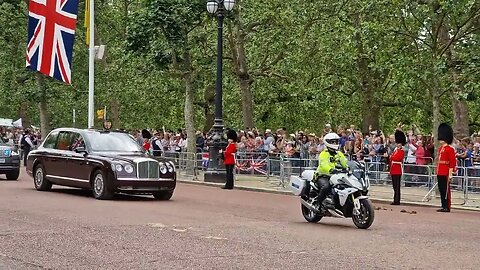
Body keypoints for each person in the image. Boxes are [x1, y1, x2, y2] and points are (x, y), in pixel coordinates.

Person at [314, 132, 348, 208]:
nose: (335, 143)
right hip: (323, 176)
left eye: (336, 141)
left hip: (336, 176)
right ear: (328, 142)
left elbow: (344, 162)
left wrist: (348, 168)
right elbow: (323, 164)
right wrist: (331, 170)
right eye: (333, 142)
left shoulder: (339, 153)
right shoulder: (324, 153)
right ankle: (317, 203)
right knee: (326, 187)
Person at [436, 123, 456, 212]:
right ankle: (443, 205)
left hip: (445, 171)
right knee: (441, 189)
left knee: (446, 190)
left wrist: (451, 174)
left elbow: (452, 162)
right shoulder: (440, 149)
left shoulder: (450, 149)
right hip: (440, 171)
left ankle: (447, 206)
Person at [390, 130, 406, 205]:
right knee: (394, 186)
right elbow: (392, 158)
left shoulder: (401, 151)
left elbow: (397, 158)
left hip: (397, 169)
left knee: (397, 186)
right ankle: (395, 199)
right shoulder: (396, 150)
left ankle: (397, 200)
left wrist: (391, 157)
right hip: (393, 169)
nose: (397, 144)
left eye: (398, 143)